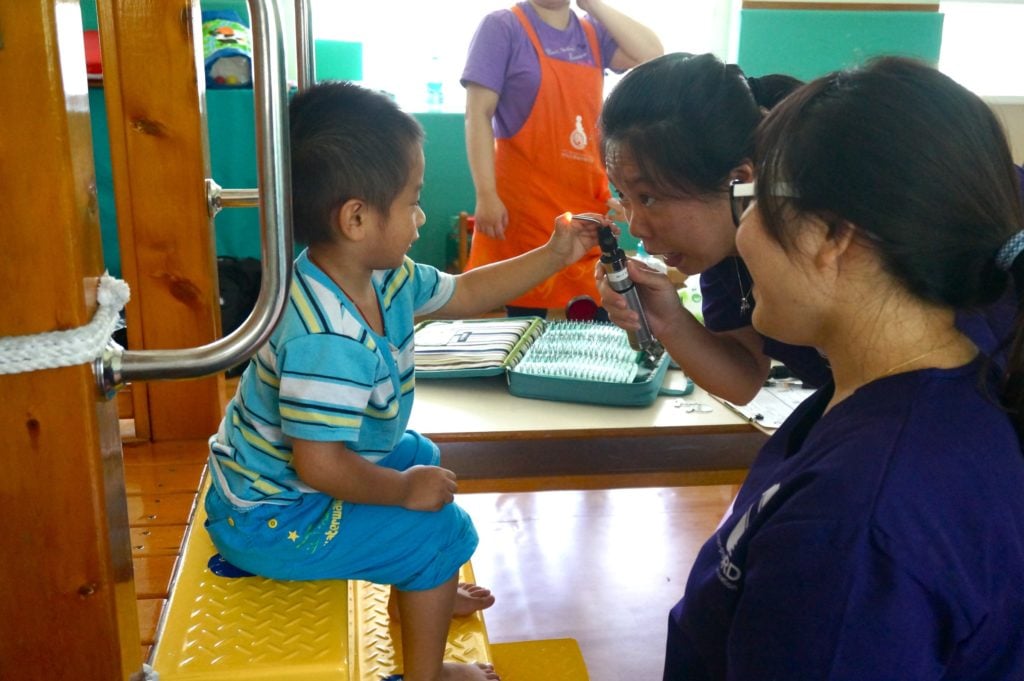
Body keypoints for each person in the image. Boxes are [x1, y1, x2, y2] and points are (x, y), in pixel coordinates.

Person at [203, 81, 603, 681]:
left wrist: (555, 254)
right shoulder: (326, 338)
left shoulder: (383, 276)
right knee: (437, 529)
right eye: (413, 201)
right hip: (271, 519)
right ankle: (427, 669)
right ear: (358, 217)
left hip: (281, 486)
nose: (420, 217)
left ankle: (422, 587)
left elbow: (467, 292)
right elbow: (321, 467)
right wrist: (404, 494)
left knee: (418, 454)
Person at [664, 56, 1024, 680]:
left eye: (752, 201)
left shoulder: (858, 528)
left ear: (832, 233)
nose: (741, 232)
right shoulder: (904, 398)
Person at [597, 51, 1015, 405]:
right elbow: (744, 377)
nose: (636, 225)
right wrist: (668, 321)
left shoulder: (890, 213)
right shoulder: (728, 245)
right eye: (624, 197)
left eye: (649, 197)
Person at [462, 0, 663, 318]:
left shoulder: (592, 31)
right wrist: (486, 194)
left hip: (585, 213)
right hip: (524, 212)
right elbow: (477, 114)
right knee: (525, 326)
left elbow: (652, 55)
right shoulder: (503, 27)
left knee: (589, 324)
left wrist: (592, 4)